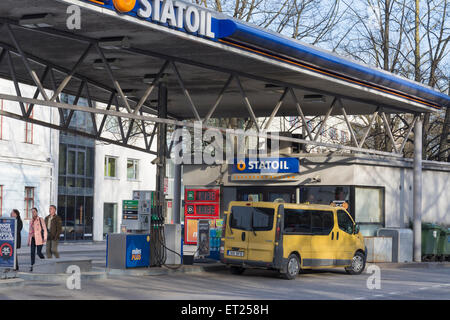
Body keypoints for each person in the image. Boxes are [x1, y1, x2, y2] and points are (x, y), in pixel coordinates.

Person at [27, 208, 47, 272]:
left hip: (39, 239)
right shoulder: (31, 221)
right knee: (32, 253)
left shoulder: (40, 219)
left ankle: (45, 262)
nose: (33, 213)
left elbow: (45, 229)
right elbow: (30, 232)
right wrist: (28, 241)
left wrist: (45, 238)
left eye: (34, 212)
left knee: (39, 253)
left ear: (37, 212)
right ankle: (32, 266)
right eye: (32, 212)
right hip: (33, 239)